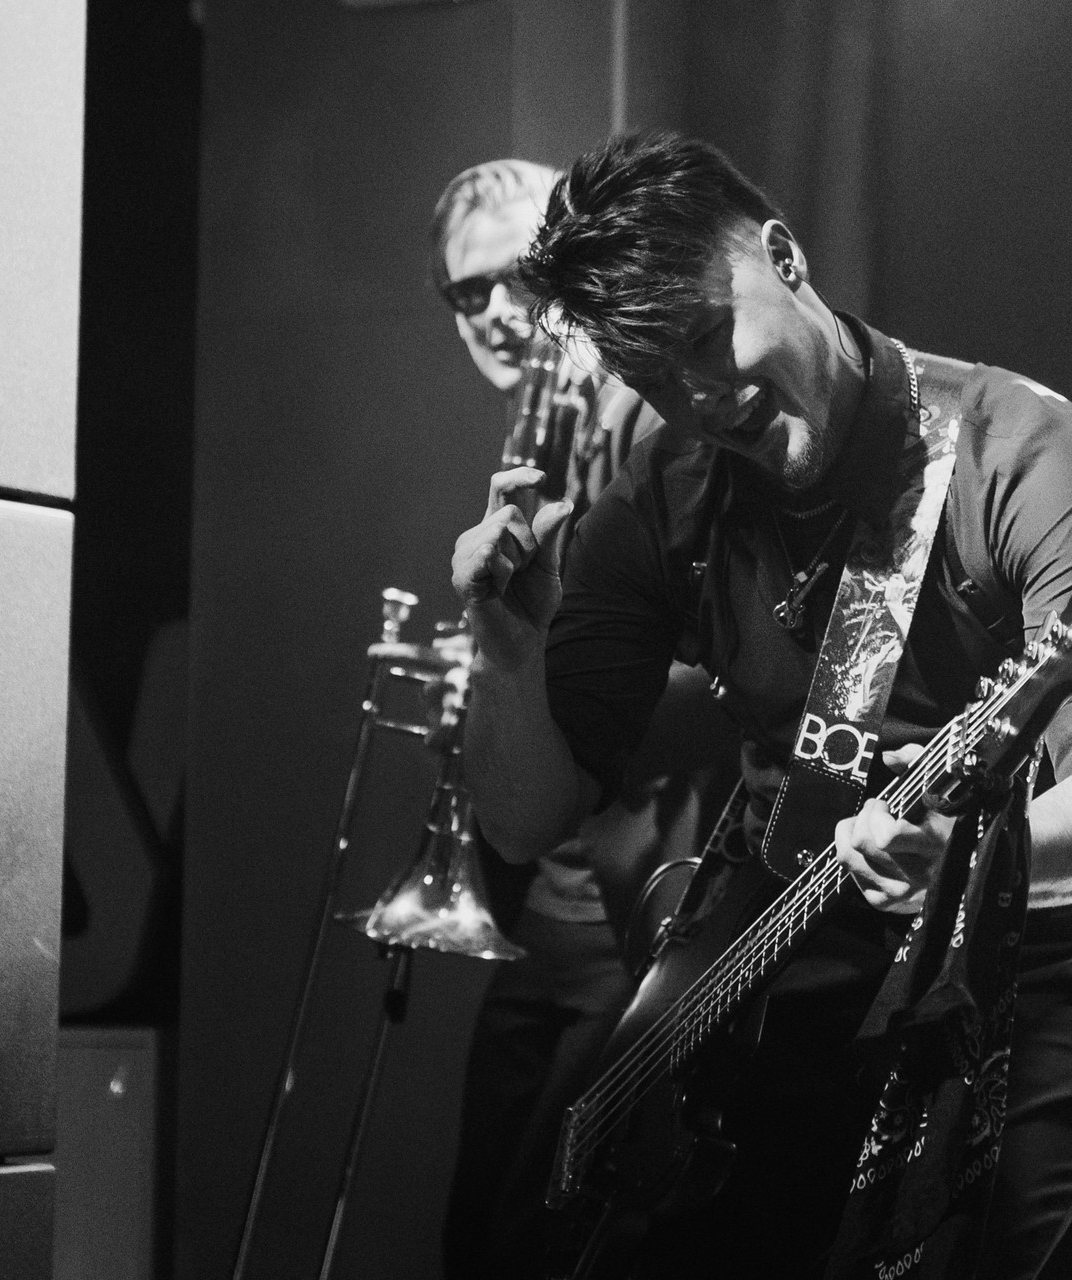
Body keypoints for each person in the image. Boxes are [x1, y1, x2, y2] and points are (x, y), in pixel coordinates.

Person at [451, 133, 1072, 1279]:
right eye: (656, 378)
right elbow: (521, 820)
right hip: (775, 963)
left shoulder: (1024, 453)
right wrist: (507, 641)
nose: (703, 397)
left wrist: (975, 858)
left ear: (784, 257)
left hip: (1015, 968)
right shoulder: (664, 496)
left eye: (708, 336)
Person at [427, 158, 737, 1280]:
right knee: (480, 1232)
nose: (497, 310)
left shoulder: (664, 424)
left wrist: (546, 681)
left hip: (638, 889)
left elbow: (735, 669)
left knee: (559, 1235)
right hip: (548, 893)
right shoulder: (540, 429)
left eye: (520, 276)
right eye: (467, 292)